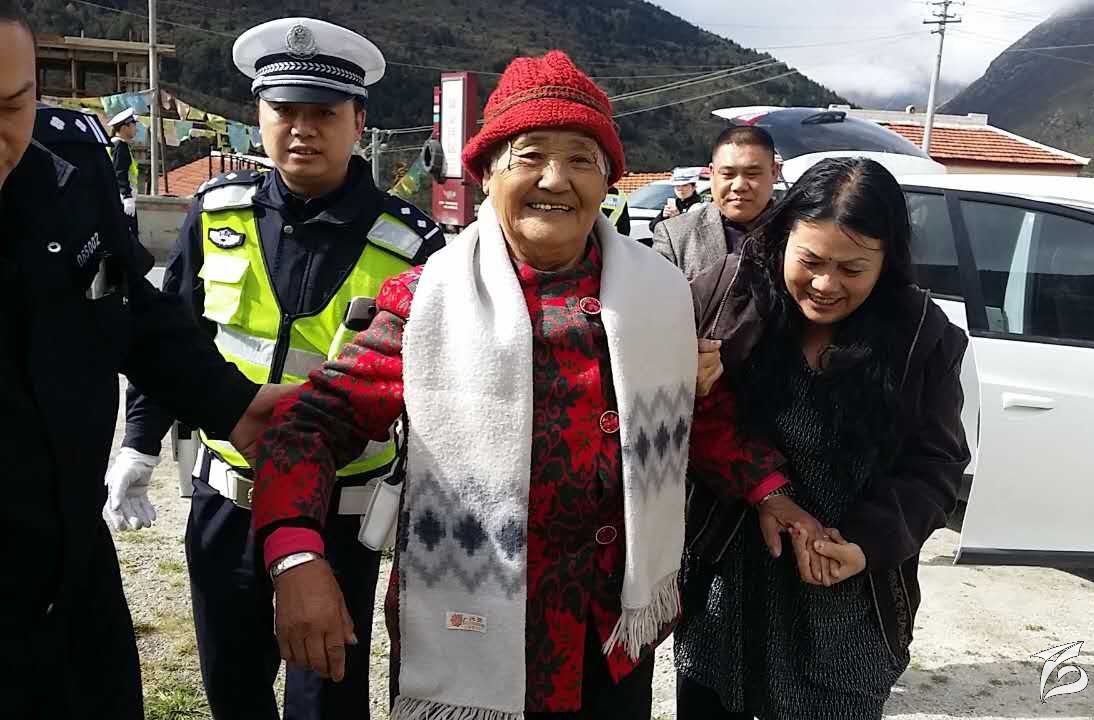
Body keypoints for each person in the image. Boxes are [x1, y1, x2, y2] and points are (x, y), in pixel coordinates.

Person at [248, 50, 823, 720]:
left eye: (581, 159)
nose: (556, 178)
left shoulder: (657, 296)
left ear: (607, 181)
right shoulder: (427, 301)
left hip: (610, 635)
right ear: (487, 173)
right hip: (475, 635)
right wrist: (295, 557)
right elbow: (309, 426)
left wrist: (771, 492)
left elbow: (700, 416)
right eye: (530, 156)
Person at [102, 16, 443, 720]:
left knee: (326, 698)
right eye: (285, 110)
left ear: (359, 122)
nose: (302, 129)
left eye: (324, 113)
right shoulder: (214, 212)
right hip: (224, 503)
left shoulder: (413, 245)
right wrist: (137, 445)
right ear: (258, 116)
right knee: (233, 690)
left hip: (340, 516)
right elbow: (172, 336)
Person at [0, 2, 284, 716]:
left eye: (10, 106)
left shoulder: (67, 167)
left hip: (74, 575)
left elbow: (128, 302)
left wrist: (232, 403)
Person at [675, 158, 970, 719]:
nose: (826, 285)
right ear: (783, 238)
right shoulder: (729, 294)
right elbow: (678, 420)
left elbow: (936, 466)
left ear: (886, 261)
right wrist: (680, 375)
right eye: (809, 261)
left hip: (847, 590)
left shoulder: (921, 337)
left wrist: (864, 544)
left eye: (852, 268)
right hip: (730, 581)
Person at [652, 126, 781, 278]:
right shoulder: (675, 236)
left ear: (774, 172)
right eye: (727, 174)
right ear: (712, 173)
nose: (739, 186)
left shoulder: (797, 232)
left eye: (752, 174)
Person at [108, 107, 140, 236]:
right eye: (133, 125)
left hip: (114, 198)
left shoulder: (112, 144)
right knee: (130, 238)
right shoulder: (121, 146)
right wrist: (127, 197)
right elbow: (120, 172)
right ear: (124, 127)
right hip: (123, 201)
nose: (136, 129)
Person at [647, 166, 701, 233]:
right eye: (677, 185)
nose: (680, 189)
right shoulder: (675, 204)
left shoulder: (700, 206)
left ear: (694, 187)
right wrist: (662, 216)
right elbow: (652, 227)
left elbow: (693, 232)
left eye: (684, 185)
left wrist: (677, 218)